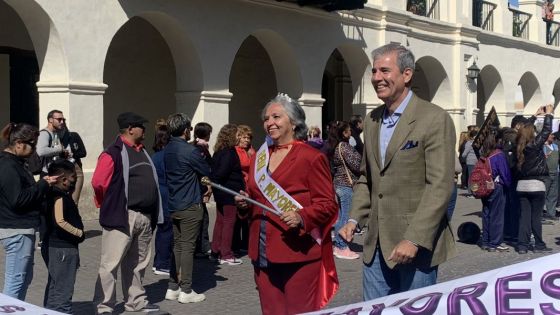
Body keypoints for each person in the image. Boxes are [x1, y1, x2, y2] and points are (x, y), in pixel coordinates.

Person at [339, 43, 456, 300]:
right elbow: (366, 178)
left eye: (384, 70)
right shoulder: (371, 121)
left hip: (416, 247)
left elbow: (440, 185)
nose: (376, 78)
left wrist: (413, 239)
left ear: (406, 74)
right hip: (376, 246)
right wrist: (353, 219)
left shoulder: (434, 118)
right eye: (374, 71)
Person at [235, 93, 338, 314]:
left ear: (293, 122)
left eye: (276, 117)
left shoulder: (311, 157)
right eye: (266, 118)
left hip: (297, 252)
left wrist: (303, 216)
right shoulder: (258, 158)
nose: (269, 122)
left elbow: (328, 204)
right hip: (262, 252)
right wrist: (245, 204)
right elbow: (257, 198)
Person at [92, 112, 164, 314]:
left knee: (138, 264)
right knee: (110, 264)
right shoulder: (113, 152)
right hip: (123, 216)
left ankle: (136, 302)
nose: (145, 130)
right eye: (141, 126)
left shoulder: (142, 151)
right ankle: (104, 306)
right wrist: (111, 203)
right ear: (130, 129)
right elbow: (98, 182)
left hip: (144, 217)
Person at [0, 123, 58, 300]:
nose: (34, 149)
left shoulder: (17, 163)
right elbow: (18, 199)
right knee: (16, 281)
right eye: (31, 144)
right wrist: (42, 184)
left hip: (23, 228)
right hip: (16, 229)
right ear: (18, 143)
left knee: (24, 278)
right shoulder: (7, 166)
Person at [164, 113, 211, 304]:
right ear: (185, 130)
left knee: (177, 246)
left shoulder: (168, 149)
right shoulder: (190, 151)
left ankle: (173, 287)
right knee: (188, 247)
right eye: (189, 129)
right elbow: (206, 170)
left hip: (174, 202)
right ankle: (186, 289)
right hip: (190, 203)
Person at [43, 160, 84, 314]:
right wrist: (79, 233)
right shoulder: (59, 197)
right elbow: (60, 221)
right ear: (64, 179)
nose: (75, 180)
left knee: (55, 288)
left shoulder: (53, 194)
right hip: (63, 250)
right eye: (73, 177)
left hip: (60, 248)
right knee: (62, 291)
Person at [515, 105, 554, 254]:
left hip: (521, 186)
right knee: (536, 218)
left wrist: (534, 116)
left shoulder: (518, 145)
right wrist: (548, 115)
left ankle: (522, 245)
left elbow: (523, 129)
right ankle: (539, 244)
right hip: (536, 185)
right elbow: (545, 132)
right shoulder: (533, 146)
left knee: (524, 217)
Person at [210, 124, 245, 265]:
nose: (239, 137)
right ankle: (226, 254)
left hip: (221, 191)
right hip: (229, 192)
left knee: (220, 221)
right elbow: (221, 173)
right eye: (237, 135)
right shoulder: (229, 153)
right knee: (229, 222)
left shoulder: (219, 150)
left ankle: (215, 250)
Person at [329, 121, 361, 260]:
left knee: (342, 216)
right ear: (344, 133)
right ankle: (341, 246)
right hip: (346, 186)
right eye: (349, 130)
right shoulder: (345, 147)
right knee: (346, 217)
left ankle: (338, 244)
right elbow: (357, 164)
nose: (351, 133)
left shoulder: (336, 146)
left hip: (339, 185)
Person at [479, 131, 511, 252]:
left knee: (486, 213)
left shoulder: (483, 154)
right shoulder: (498, 154)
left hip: (484, 186)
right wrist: (507, 184)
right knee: (497, 215)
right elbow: (505, 173)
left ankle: (486, 241)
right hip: (496, 186)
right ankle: (495, 242)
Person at [151, 121, 173, 276]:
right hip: (167, 195)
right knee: (167, 230)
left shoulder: (154, 156)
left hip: (158, 194)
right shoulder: (168, 157)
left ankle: (159, 261)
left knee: (161, 229)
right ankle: (163, 263)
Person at [191, 122, 213, 258]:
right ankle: (200, 247)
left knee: (203, 217)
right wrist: (208, 186)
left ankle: (201, 246)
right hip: (199, 187)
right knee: (202, 218)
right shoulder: (201, 149)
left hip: (199, 186)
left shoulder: (196, 146)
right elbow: (205, 169)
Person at [233, 124, 254, 255]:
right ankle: (235, 244)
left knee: (248, 217)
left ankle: (246, 243)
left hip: (249, 186)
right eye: (244, 137)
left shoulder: (251, 150)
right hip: (239, 186)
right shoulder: (236, 151)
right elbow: (244, 164)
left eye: (248, 138)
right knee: (237, 218)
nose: (246, 140)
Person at [59, 125, 87, 204]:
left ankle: (73, 215)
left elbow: (83, 153)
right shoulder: (53, 138)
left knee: (74, 200)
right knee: (60, 200)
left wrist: (72, 154)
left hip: (75, 168)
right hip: (60, 169)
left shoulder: (73, 136)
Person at [543, 133, 559, 222]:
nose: (553, 136)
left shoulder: (556, 146)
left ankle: (551, 213)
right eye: (551, 135)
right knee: (544, 194)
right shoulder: (542, 146)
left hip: (555, 172)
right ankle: (540, 214)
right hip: (546, 173)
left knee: (553, 195)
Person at [462, 129, 479, 197]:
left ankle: (471, 192)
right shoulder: (477, 143)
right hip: (476, 161)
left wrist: (463, 157)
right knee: (475, 177)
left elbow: (464, 153)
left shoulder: (469, 143)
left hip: (471, 161)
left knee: (471, 177)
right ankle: (474, 192)